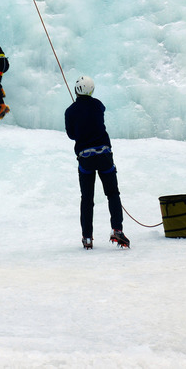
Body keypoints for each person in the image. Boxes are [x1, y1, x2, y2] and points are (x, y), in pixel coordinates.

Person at [64, 76, 129, 249]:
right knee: (112, 193)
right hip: (104, 155)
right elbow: (97, 114)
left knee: (87, 199)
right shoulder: (98, 105)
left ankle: (87, 238)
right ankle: (117, 230)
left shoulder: (70, 111)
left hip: (85, 158)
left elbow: (71, 135)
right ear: (91, 90)